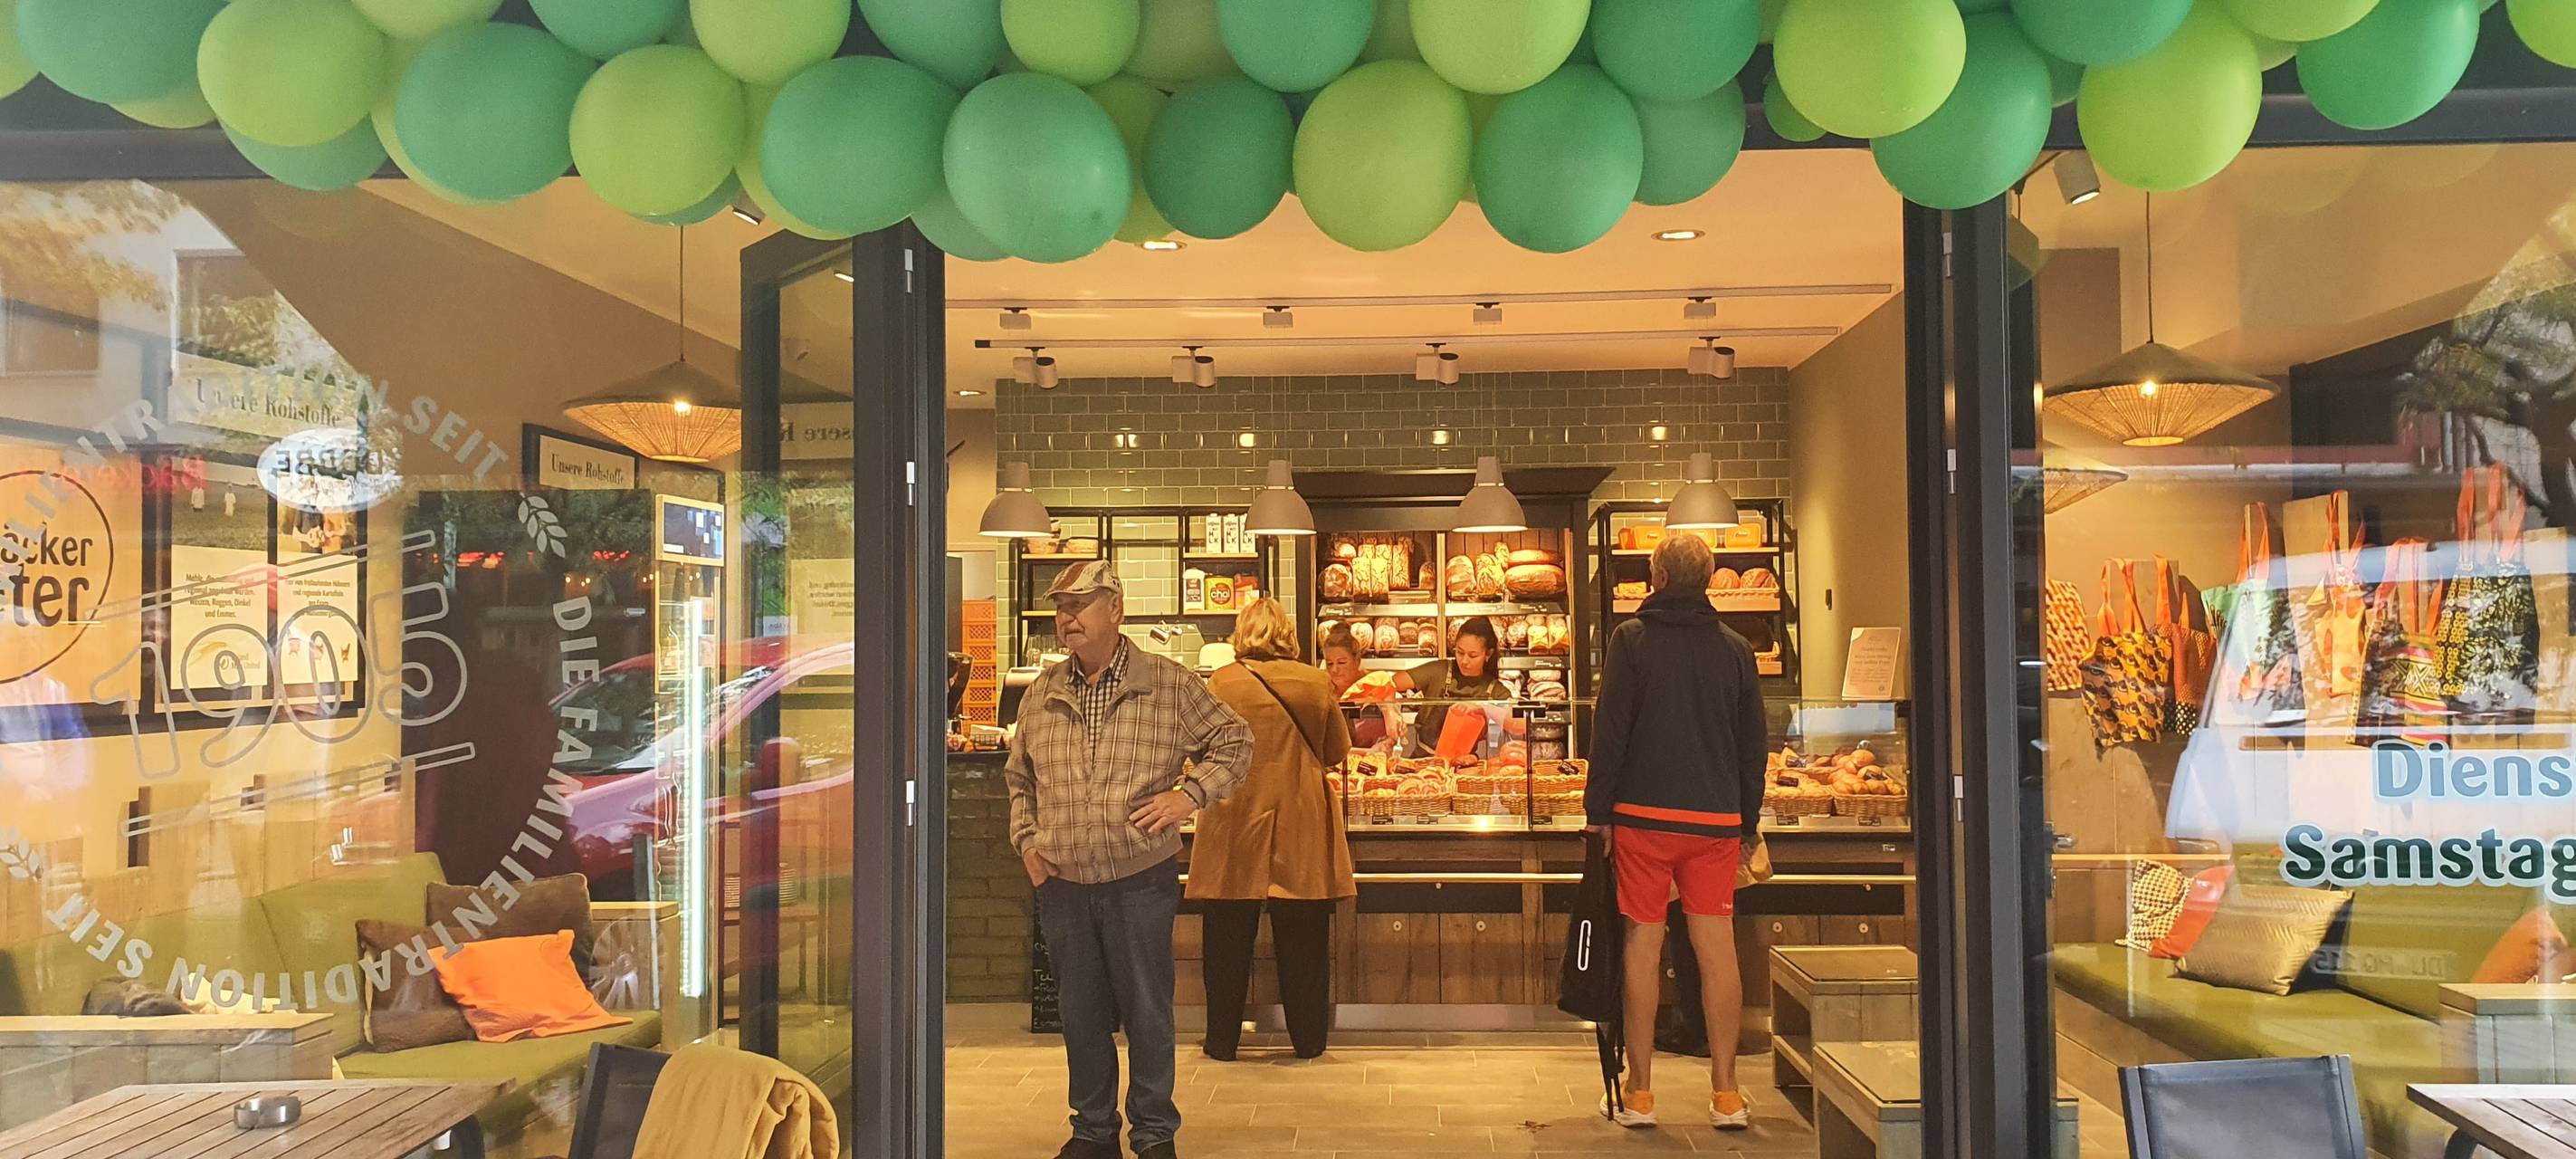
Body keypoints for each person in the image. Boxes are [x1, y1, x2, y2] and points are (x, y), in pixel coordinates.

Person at [1004, 560, 1253, 1159]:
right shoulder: (1042, 691)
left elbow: (1236, 740)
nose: (1067, 618)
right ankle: (1092, 1132)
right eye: (1061, 607)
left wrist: (1188, 797)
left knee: (1147, 1012)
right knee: (1081, 1014)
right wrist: (1029, 844)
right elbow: (1019, 778)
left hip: (1139, 878)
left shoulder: (1168, 683)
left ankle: (1153, 1134)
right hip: (1062, 881)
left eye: (1079, 605)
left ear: (1114, 609)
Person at [1581, 533, 1769, 1132]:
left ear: (1657, 577)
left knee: (1643, 944)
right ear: (1711, 579)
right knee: (1717, 948)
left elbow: (1610, 731)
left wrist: (1599, 812)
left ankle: (1639, 1094)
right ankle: (1727, 1095)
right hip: (1713, 819)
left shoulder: (1631, 641)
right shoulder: (1737, 649)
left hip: (1642, 817)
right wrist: (1747, 819)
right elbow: (1752, 747)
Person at [1194, 599, 1356, 1059]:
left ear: (1242, 634)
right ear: (1287, 633)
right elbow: (1336, 751)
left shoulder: (1221, 682)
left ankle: (1221, 1041)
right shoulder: (1315, 681)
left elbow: (1202, 748)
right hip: (1299, 814)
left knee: (1226, 935)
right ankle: (1308, 1041)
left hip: (1233, 815)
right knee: (1303, 937)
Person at [1397, 616, 1511, 756]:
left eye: (1473, 656)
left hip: (1464, 766)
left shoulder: (1494, 689)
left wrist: (1482, 708)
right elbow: (1390, 683)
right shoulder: (1439, 671)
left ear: (1488, 654)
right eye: (1460, 652)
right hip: (1424, 762)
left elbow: (1519, 722)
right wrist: (1393, 714)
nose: (1464, 661)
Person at [1316, 622, 1394, 749]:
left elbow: (1393, 733)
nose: (1335, 669)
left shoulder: (1376, 684)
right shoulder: (1322, 689)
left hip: (1374, 761)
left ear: (1357, 660)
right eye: (1329, 663)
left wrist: (1386, 744)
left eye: (1342, 662)